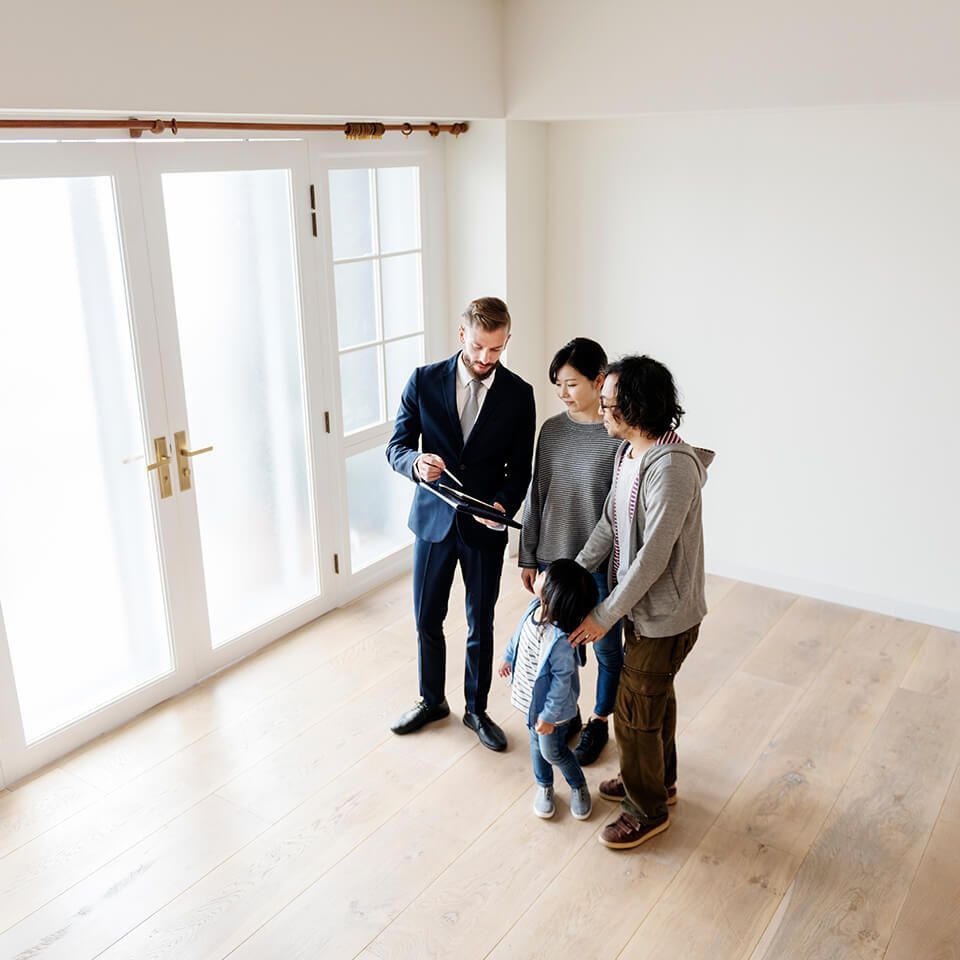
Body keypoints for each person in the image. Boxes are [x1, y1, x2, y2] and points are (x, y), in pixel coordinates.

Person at [569, 355, 714, 849]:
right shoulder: (629, 454)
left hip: (666, 616)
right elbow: (612, 521)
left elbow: (652, 558)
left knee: (633, 712)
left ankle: (645, 807)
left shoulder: (671, 469)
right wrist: (575, 568)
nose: (601, 411)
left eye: (608, 403)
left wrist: (603, 617)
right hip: (638, 608)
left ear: (634, 407)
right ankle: (658, 783)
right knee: (655, 699)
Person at [386, 297, 536, 751]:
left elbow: (520, 472)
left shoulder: (519, 394)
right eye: (477, 348)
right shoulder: (423, 380)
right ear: (461, 336)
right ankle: (432, 700)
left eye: (495, 350)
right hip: (432, 520)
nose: (485, 359)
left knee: (480, 622)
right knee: (427, 617)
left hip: (483, 528)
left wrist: (501, 506)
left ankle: (476, 709)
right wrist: (416, 463)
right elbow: (396, 447)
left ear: (506, 341)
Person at [518, 338, 623, 766]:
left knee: (604, 648)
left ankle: (599, 720)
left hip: (596, 567)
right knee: (560, 646)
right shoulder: (551, 430)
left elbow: (616, 514)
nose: (563, 393)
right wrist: (528, 556)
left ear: (600, 382)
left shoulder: (617, 436)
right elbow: (537, 494)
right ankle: (570, 712)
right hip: (551, 562)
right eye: (558, 384)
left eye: (572, 384)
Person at [499, 559, 598, 820]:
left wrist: (548, 716)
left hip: (551, 713)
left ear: (554, 595)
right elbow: (518, 636)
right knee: (535, 746)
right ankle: (544, 786)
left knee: (552, 751)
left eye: (544, 575)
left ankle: (578, 786)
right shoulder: (534, 608)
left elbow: (560, 684)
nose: (539, 574)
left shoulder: (561, 642)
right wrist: (508, 657)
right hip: (531, 704)